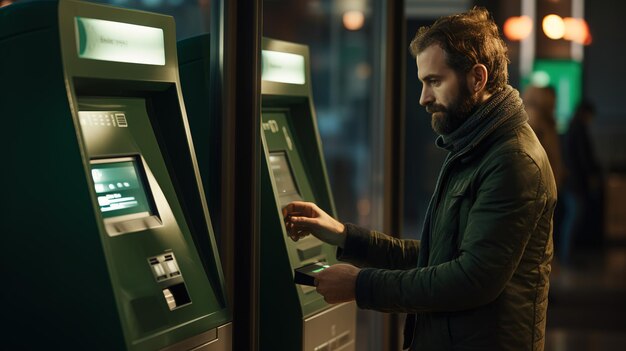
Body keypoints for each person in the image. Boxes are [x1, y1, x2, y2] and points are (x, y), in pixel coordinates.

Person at [283, 7, 556, 351]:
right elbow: (438, 257)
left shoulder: (512, 160)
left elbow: (472, 279)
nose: (423, 98)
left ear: (477, 78)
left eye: (434, 82)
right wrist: (344, 236)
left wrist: (360, 286)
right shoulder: (475, 148)